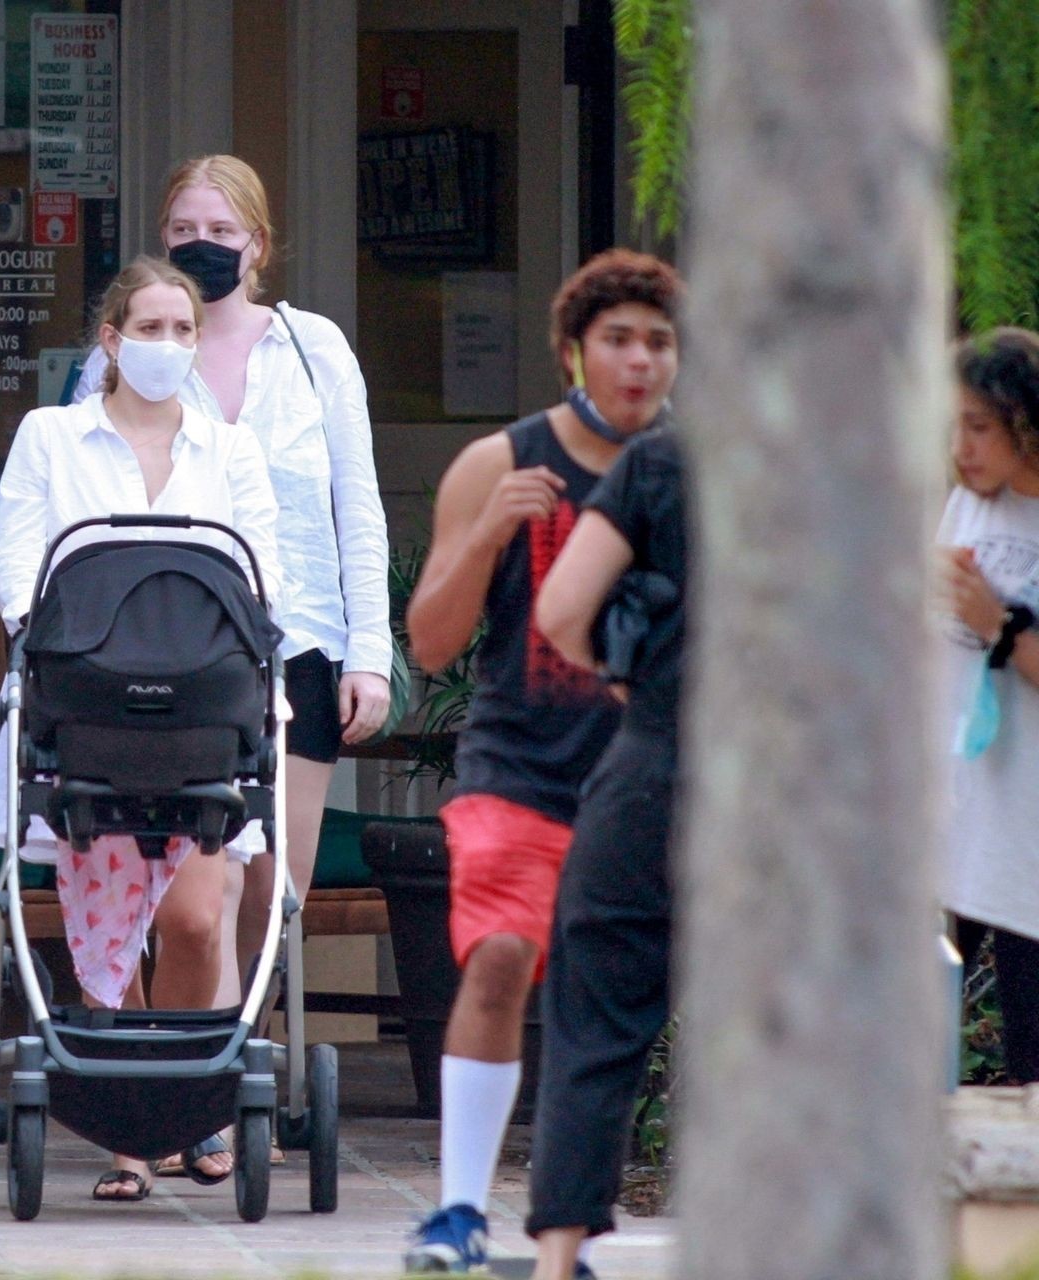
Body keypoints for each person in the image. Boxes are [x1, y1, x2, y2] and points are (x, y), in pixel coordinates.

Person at [70, 155, 392, 1178]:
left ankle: (222, 1064)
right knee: (186, 878)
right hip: (162, 654)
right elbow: (79, 483)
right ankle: (183, 1096)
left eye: (220, 228)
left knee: (272, 886)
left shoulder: (314, 348)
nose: (200, 243)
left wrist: (371, 652)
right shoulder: (132, 346)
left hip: (297, 641)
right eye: (182, 228)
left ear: (258, 242)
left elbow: (357, 502)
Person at [0, 256, 282, 1201]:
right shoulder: (52, 436)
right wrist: (62, 653)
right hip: (91, 714)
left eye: (183, 329)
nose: (168, 344)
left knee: (193, 917)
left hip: (202, 723)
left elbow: (263, 578)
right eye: (150, 328)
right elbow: (17, 564)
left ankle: (185, 1108)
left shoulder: (229, 450)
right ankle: (129, 1139)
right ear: (111, 340)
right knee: (109, 925)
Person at [402, 249, 681, 1272]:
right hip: (519, 764)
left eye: (659, 342)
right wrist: (486, 533)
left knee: (602, 1002)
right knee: (503, 956)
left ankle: (567, 1226)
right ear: (573, 350)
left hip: (648, 775)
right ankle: (456, 1213)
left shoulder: (696, 474)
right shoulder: (502, 461)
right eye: (619, 339)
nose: (640, 361)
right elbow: (430, 644)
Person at [524, 422, 688, 1280]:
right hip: (794, 787)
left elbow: (559, 609)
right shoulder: (853, 465)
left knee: (594, 1026)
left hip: (658, 764)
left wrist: (632, 678)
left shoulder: (663, 462)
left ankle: (561, 1257)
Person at [937, 328, 1039, 1085]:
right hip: (950, 820)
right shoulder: (969, 507)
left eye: (978, 427)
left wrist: (998, 625)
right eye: (954, 425)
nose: (961, 448)